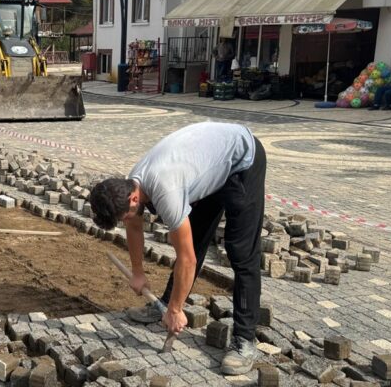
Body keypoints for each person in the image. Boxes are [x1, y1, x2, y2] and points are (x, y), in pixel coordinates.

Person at [89, 122, 266, 376]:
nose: (126, 221)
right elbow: (135, 227)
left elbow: (187, 259)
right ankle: (165, 304)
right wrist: (138, 272)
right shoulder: (132, 184)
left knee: (241, 252)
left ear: (133, 198)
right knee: (194, 236)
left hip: (241, 161)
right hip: (208, 166)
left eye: (124, 216)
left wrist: (176, 310)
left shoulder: (166, 191)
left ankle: (245, 340)